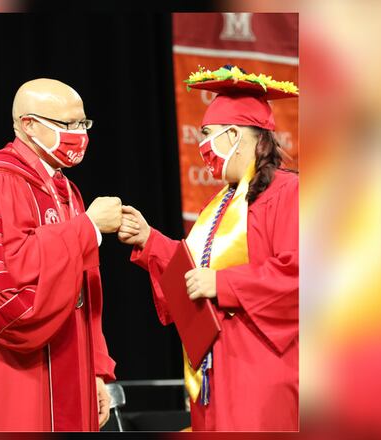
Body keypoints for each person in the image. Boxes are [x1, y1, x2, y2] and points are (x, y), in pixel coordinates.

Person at [118, 66, 299, 431]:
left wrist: (224, 284)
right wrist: (148, 240)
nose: (202, 147)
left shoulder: (289, 193)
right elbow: (193, 273)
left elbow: (303, 274)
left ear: (233, 134)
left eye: (207, 134)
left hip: (259, 367)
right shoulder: (219, 205)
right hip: (211, 372)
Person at [0, 78, 120, 431]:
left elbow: (87, 286)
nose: (79, 134)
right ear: (29, 124)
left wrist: (97, 369)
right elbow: (12, 266)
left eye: (83, 123)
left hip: (73, 354)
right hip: (21, 362)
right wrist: (87, 228)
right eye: (68, 124)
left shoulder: (67, 190)